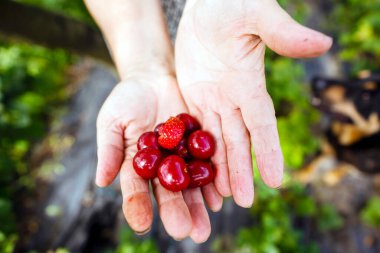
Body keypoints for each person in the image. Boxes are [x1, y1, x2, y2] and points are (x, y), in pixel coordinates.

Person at [84, 0, 332, 243]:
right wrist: (144, 67)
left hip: (208, 41)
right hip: (159, 37)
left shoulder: (175, 141)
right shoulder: (170, 142)